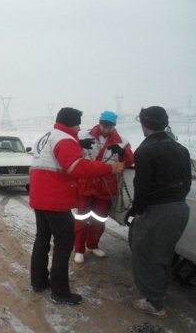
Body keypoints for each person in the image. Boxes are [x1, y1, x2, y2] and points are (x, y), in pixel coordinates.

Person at [29, 107, 125, 305]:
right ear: (72, 123)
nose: (79, 128)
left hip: (40, 198)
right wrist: (110, 167)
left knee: (42, 240)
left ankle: (38, 282)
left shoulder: (47, 136)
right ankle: (60, 292)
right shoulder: (64, 139)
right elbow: (76, 167)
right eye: (78, 124)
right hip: (56, 200)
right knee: (64, 245)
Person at [129, 106, 191, 317]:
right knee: (164, 253)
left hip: (157, 210)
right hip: (180, 208)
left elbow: (142, 185)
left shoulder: (145, 150)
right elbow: (186, 183)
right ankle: (159, 294)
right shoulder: (181, 149)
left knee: (145, 254)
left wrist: (138, 210)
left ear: (145, 124)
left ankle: (154, 303)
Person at [73, 111, 134, 264]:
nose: (106, 129)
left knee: (99, 220)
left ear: (114, 126)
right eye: (104, 125)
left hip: (106, 187)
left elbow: (129, 160)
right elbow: (69, 152)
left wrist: (122, 153)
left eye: (109, 126)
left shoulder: (122, 142)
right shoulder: (83, 135)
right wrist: (78, 145)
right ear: (100, 123)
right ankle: (79, 249)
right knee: (82, 219)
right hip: (86, 184)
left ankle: (92, 245)